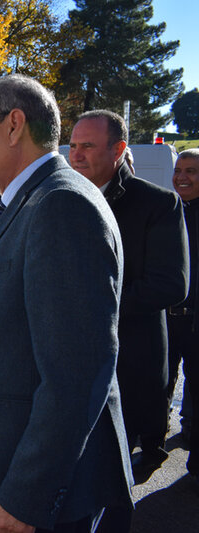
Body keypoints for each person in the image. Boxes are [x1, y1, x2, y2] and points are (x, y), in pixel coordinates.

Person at [0, 74, 133, 532]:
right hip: (16, 471)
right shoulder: (33, 199)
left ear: (13, 125)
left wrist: (27, 494)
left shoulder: (61, 206)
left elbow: (76, 374)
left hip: (44, 497)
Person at [69, 111, 189, 485]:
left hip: (129, 359)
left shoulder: (159, 204)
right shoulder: (60, 198)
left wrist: (92, 304)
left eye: (87, 146)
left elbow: (171, 284)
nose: (76, 155)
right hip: (68, 360)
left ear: (118, 149)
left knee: (112, 480)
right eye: (72, 146)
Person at [168, 149, 199, 488]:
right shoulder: (169, 211)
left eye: (191, 171)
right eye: (178, 170)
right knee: (158, 383)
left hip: (195, 322)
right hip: (167, 318)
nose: (181, 177)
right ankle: (151, 443)